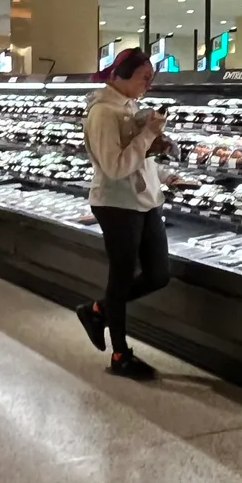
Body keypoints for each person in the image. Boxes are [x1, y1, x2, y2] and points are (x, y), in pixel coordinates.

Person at [75, 48, 169, 380]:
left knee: (159, 274)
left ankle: (97, 309)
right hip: (116, 204)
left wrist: (165, 175)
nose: (149, 83)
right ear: (121, 76)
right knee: (121, 275)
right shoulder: (102, 112)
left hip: (146, 200)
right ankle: (120, 354)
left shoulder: (131, 107)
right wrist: (147, 135)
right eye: (145, 77)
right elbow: (114, 167)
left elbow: (139, 160)